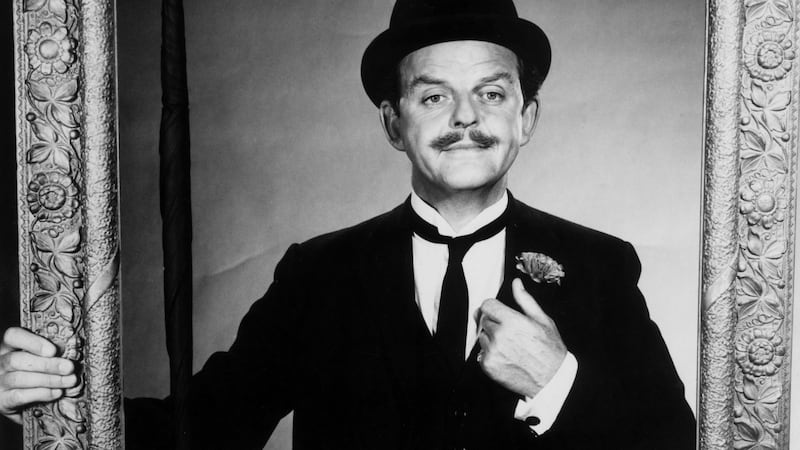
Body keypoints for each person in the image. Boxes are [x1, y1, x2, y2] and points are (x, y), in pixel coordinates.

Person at [1, 0, 696, 448]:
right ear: (396, 124)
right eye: (433, 96)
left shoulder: (602, 265)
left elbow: (672, 441)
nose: (464, 118)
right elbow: (207, 428)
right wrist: (53, 405)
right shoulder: (319, 273)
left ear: (526, 120)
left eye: (491, 93)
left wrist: (556, 383)